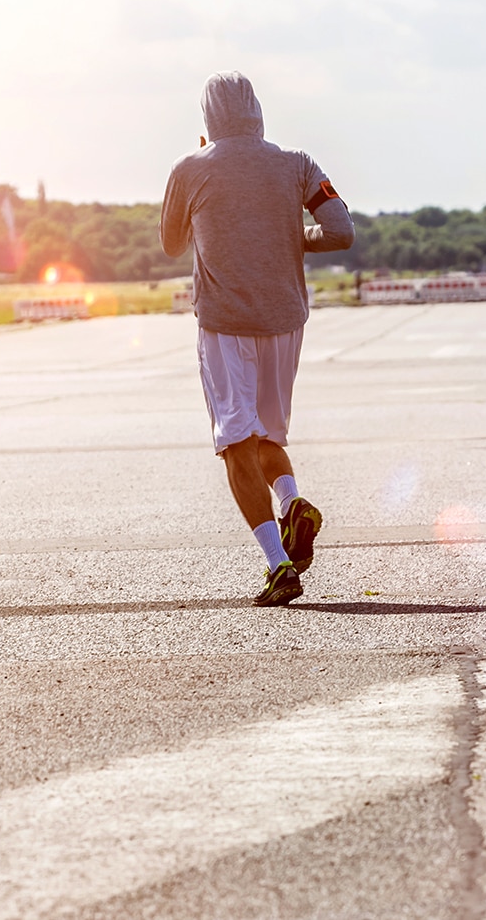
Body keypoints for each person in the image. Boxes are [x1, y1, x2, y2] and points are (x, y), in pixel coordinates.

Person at [161, 72, 355, 607]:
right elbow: (341, 232)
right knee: (269, 436)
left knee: (235, 444)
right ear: (258, 111)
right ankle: (292, 504)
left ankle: (278, 566)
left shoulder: (191, 168)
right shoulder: (296, 164)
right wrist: (291, 235)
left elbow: (172, 243)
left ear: (208, 118)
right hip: (285, 321)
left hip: (225, 323)